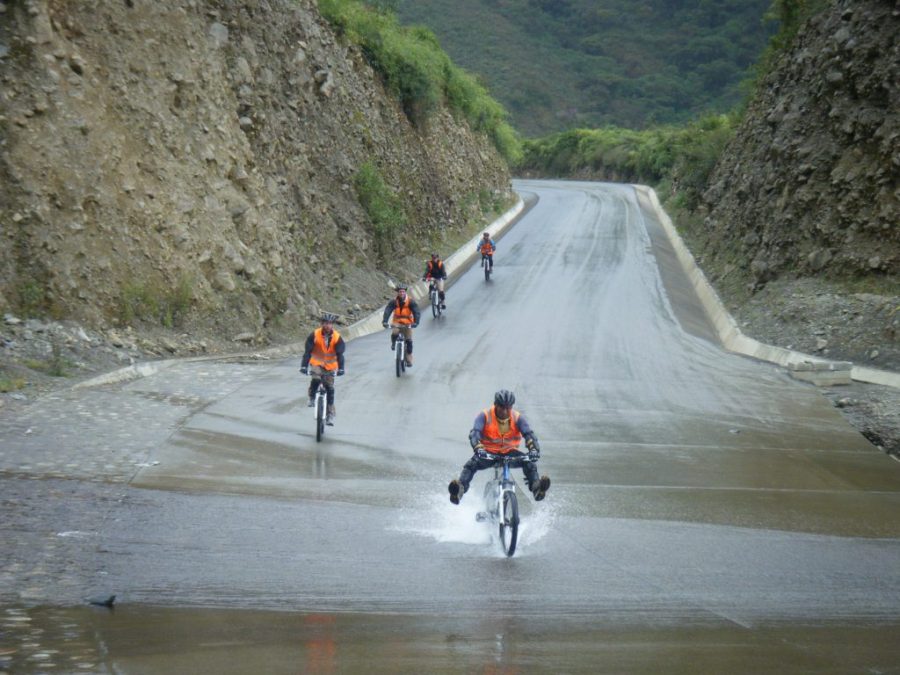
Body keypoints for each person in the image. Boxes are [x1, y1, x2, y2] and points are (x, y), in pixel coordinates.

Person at [448, 389, 550, 505]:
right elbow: (475, 433)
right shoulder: (485, 416)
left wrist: (533, 450)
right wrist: (478, 448)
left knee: (530, 463)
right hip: (488, 453)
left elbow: (529, 434)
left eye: (508, 407)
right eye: (502, 407)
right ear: (495, 405)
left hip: (510, 452)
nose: (505, 411)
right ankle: (458, 491)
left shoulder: (517, 418)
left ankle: (538, 490)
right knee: (471, 465)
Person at [299, 313, 345, 426]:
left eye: (329, 323)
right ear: (321, 324)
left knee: (330, 389)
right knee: (316, 378)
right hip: (317, 363)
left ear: (332, 325)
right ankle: (312, 397)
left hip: (330, 367)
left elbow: (340, 355)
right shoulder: (314, 335)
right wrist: (304, 366)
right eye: (325, 323)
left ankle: (329, 414)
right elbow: (307, 352)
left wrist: (341, 369)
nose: (327, 326)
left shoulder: (337, 337)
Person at [381, 284, 420, 367]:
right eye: (400, 292)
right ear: (398, 293)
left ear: (405, 292)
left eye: (403, 291)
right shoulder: (394, 301)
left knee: (409, 341)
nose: (401, 293)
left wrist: (416, 322)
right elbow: (388, 310)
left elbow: (416, 311)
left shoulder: (410, 301)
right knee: (395, 331)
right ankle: (393, 343)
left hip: (408, 323)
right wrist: (385, 321)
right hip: (397, 321)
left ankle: (409, 360)